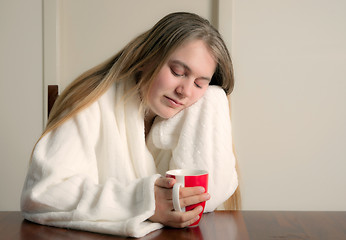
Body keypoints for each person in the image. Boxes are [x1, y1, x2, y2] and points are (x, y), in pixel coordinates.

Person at [20, 12, 240, 238]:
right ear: (148, 58)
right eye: (177, 72)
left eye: (199, 83)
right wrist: (142, 200)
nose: (184, 91)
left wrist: (214, 100)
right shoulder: (91, 102)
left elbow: (209, 195)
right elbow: (43, 194)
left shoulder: (198, 108)